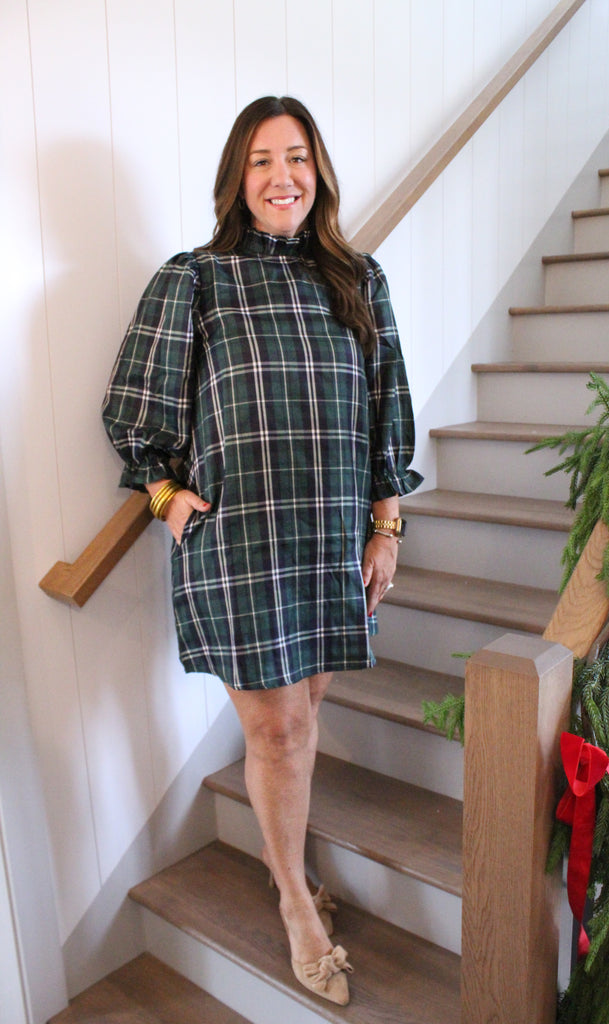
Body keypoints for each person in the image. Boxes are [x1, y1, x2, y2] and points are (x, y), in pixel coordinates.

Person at [102, 95, 422, 1006]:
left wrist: (386, 526)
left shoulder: (358, 278)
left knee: (302, 719)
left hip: (330, 537)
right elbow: (133, 411)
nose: (282, 176)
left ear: (317, 171)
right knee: (276, 730)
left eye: (296, 157)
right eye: (261, 161)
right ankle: (293, 902)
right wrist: (165, 498)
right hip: (241, 542)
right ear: (236, 180)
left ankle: (290, 860)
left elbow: (386, 410)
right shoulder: (194, 280)